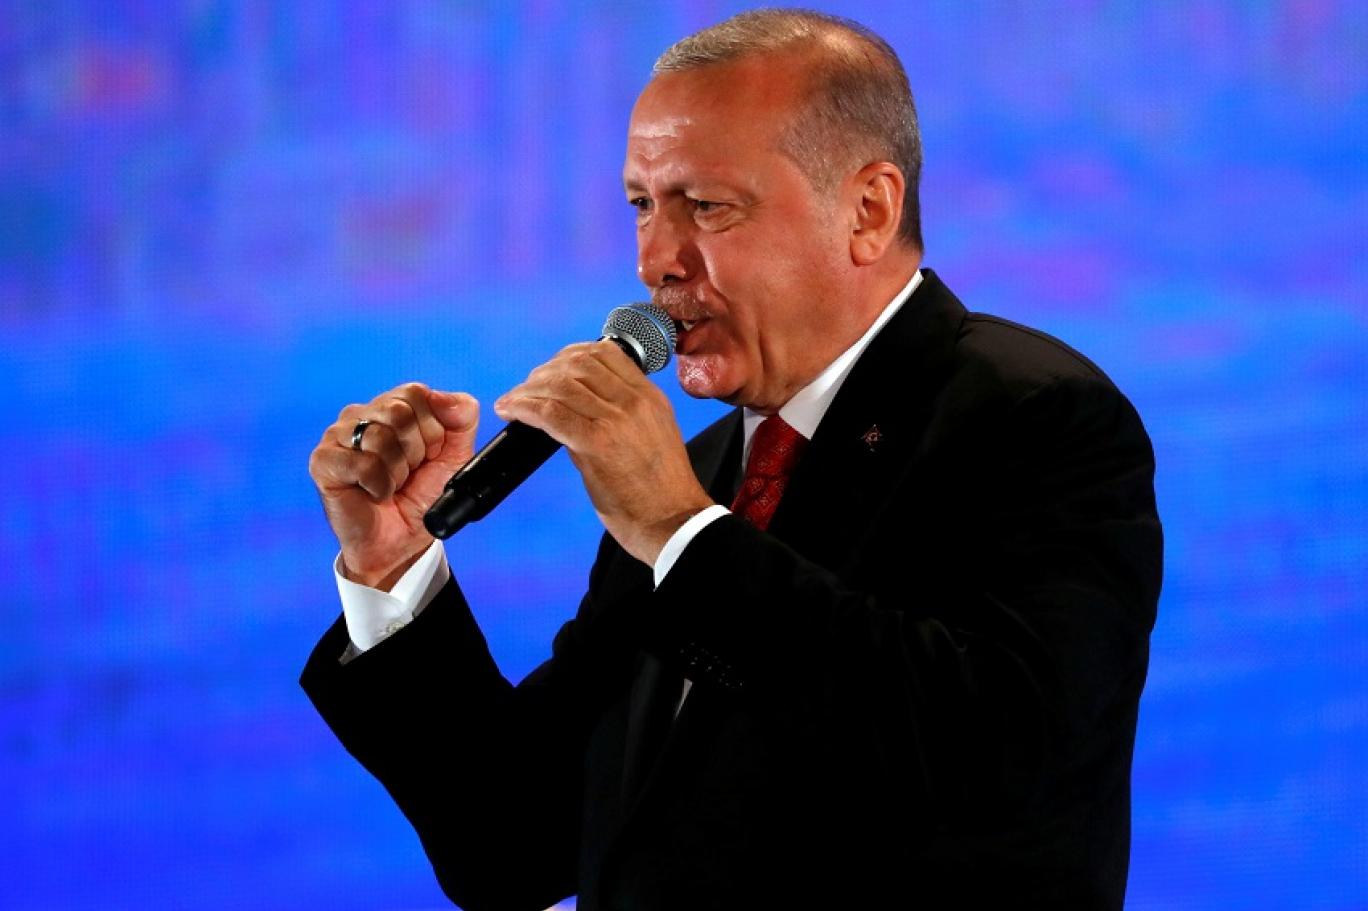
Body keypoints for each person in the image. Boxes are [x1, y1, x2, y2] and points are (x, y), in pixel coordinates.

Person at [301, 9, 1162, 910]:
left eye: (706, 206)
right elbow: (514, 843)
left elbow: (1002, 762)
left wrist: (681, 532)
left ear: (868, 211)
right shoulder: (706, 470)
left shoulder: (1035, 415)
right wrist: (392, 565)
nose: (655, 261)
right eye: (642, 205)